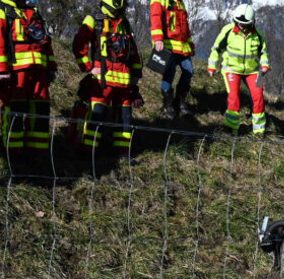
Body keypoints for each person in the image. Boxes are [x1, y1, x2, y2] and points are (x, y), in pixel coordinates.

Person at [72, 0, 144, 155]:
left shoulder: (124, 22)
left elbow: (133, 51)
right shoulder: (94, 19)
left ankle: (123, 153)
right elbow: (79, 42)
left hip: (124, 82)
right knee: (96, 116)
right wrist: (88, 67)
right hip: (102, 82)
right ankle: (88, 152)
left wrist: (136, 75)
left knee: (125, 121)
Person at [0, 0, 56, 160]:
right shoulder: (3, 10)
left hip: (39, 71)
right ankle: (13, 154)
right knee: (15, 108)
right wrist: (2, 69)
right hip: (16, 72)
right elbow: (0, 42)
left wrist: (51, 65)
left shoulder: (34, 12)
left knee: (41, 108)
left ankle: (38, 154)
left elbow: (45, 41)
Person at [208, 5, 269, 137]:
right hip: (231, 69)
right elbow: (216, 49)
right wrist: (212, 65)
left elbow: (263, 53)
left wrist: (265, 65)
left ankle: (258, 131)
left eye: (245, 23)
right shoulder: (228, 31)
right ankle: (231, 129)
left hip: (253, 71)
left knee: (259, 96)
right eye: (239, 22)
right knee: (234, 98)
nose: (242, 25)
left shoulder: (258, 34)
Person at [150, 0, 194, 118]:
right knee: (170, 74)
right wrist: (158, 39)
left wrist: (190, 43)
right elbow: (156, 19)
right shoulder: (159, 1)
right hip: (167, 45)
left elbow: (185, 27)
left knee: (189, 71)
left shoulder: (181, 3)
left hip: (183, 47)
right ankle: (167, 105)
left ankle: (180, 103)